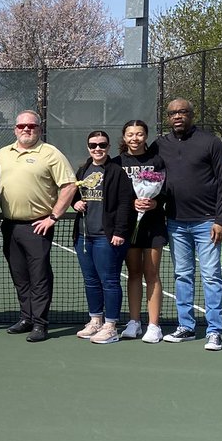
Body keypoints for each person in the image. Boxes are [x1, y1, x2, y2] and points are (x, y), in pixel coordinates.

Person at [157, 99, 222, 351]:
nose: (177, 116)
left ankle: (214, 331)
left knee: (211, 276)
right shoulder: (161, 145)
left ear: (191, 114)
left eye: (182, 112)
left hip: (207, 223)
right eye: (172, 113)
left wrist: (220, 220)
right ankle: (186, 327)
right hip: (176, 223)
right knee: (182, 275)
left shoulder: (211, 142)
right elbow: (151, 176)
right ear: (168, 117)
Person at [0, 110, 77, 342]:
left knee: (39, 277)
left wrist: (53, 217)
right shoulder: (2, 154)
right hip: (9, 226)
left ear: (39, 129)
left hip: (38, 227)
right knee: (19, 276)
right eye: (22, 126)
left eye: (31, 126)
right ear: (15, 129)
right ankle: (26, 318)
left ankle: (40, 324)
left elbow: (69, 185)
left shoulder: (51, 153)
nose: (26, 129)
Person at [70, 130, 135, 344]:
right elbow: (73, 195)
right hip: (84, 236)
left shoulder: (117, 172)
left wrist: (119, 232)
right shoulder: (83, 170)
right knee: (91, 281)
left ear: (108, 147)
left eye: (102, 145)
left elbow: (126, 204)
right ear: (88, 147)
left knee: (109, 281)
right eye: (93, 145)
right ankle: (95, 320)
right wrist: (75, 203)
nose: (97, 148)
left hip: (106, 238)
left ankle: (111, 326)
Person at [113, 120, 167, 343]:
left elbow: (166, 190)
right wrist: (131, 203)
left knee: (151, 273)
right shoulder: (117, 163)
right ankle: (134, 322)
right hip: (128, 226)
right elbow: (113, 193)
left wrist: (155, 203)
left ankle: (154, 326)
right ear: (124, 137)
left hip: (153, 225)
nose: (134, 138)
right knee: (133, 273)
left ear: (145, 136)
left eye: (139, 134)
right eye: (130, 134)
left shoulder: (157, 161)